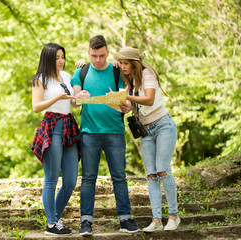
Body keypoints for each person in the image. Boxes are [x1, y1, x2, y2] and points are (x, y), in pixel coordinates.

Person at [71, 35, 141, 236]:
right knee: (88, 178)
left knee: (119, 176)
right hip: (89, 134)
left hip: (114, 132)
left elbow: (125, 103)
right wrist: (78, 97)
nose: (98, 60)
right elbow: (75, 102)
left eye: (102, 56)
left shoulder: (118, 70)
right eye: (94, 56)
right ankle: (86, 222)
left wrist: (126, 106)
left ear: (108, 53)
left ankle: (125, 219)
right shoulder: (81, 71)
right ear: (88, 53)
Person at [113, 46, 180, 232]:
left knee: (163, 170)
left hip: (162, 125)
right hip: (146, 132)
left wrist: (124, 96)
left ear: (135, 63)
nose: (123, 66)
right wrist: (118, 101)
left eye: (126, 63)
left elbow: (149, 99)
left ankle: (173, 216)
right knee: (151, 175)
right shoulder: (129, 83)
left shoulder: (147, 74)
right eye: (121, 63)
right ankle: (157, 220)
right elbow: (128, 105)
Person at [31, 43, 81, 236]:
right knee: (51, 178)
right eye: (57, 58)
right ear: (48, 59)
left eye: (63, 57)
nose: (61, 61)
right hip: (52, 126)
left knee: (70, 180)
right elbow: (36, 107)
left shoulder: (67, 76)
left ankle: (54, 221)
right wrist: (58, 97)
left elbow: (74, 104)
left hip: (69, 126)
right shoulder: (40, 79)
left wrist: (78, 96)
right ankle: (51, 223)